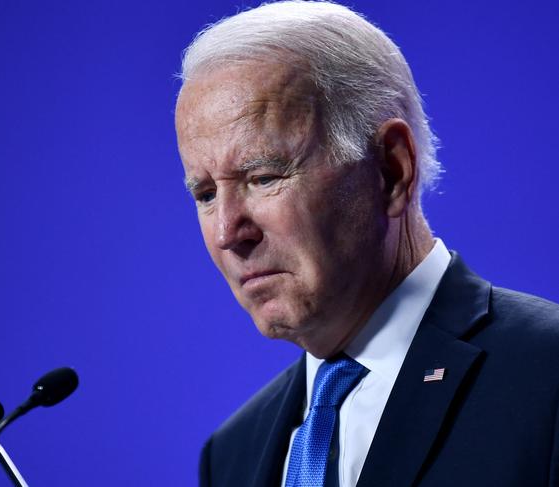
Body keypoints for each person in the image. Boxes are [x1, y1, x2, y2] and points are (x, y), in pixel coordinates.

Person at [174, 2, 559, 486]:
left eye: (263, 177)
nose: (229, 232)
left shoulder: (547, 378)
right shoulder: (232, 453)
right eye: (206, 194)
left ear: (390, 171)